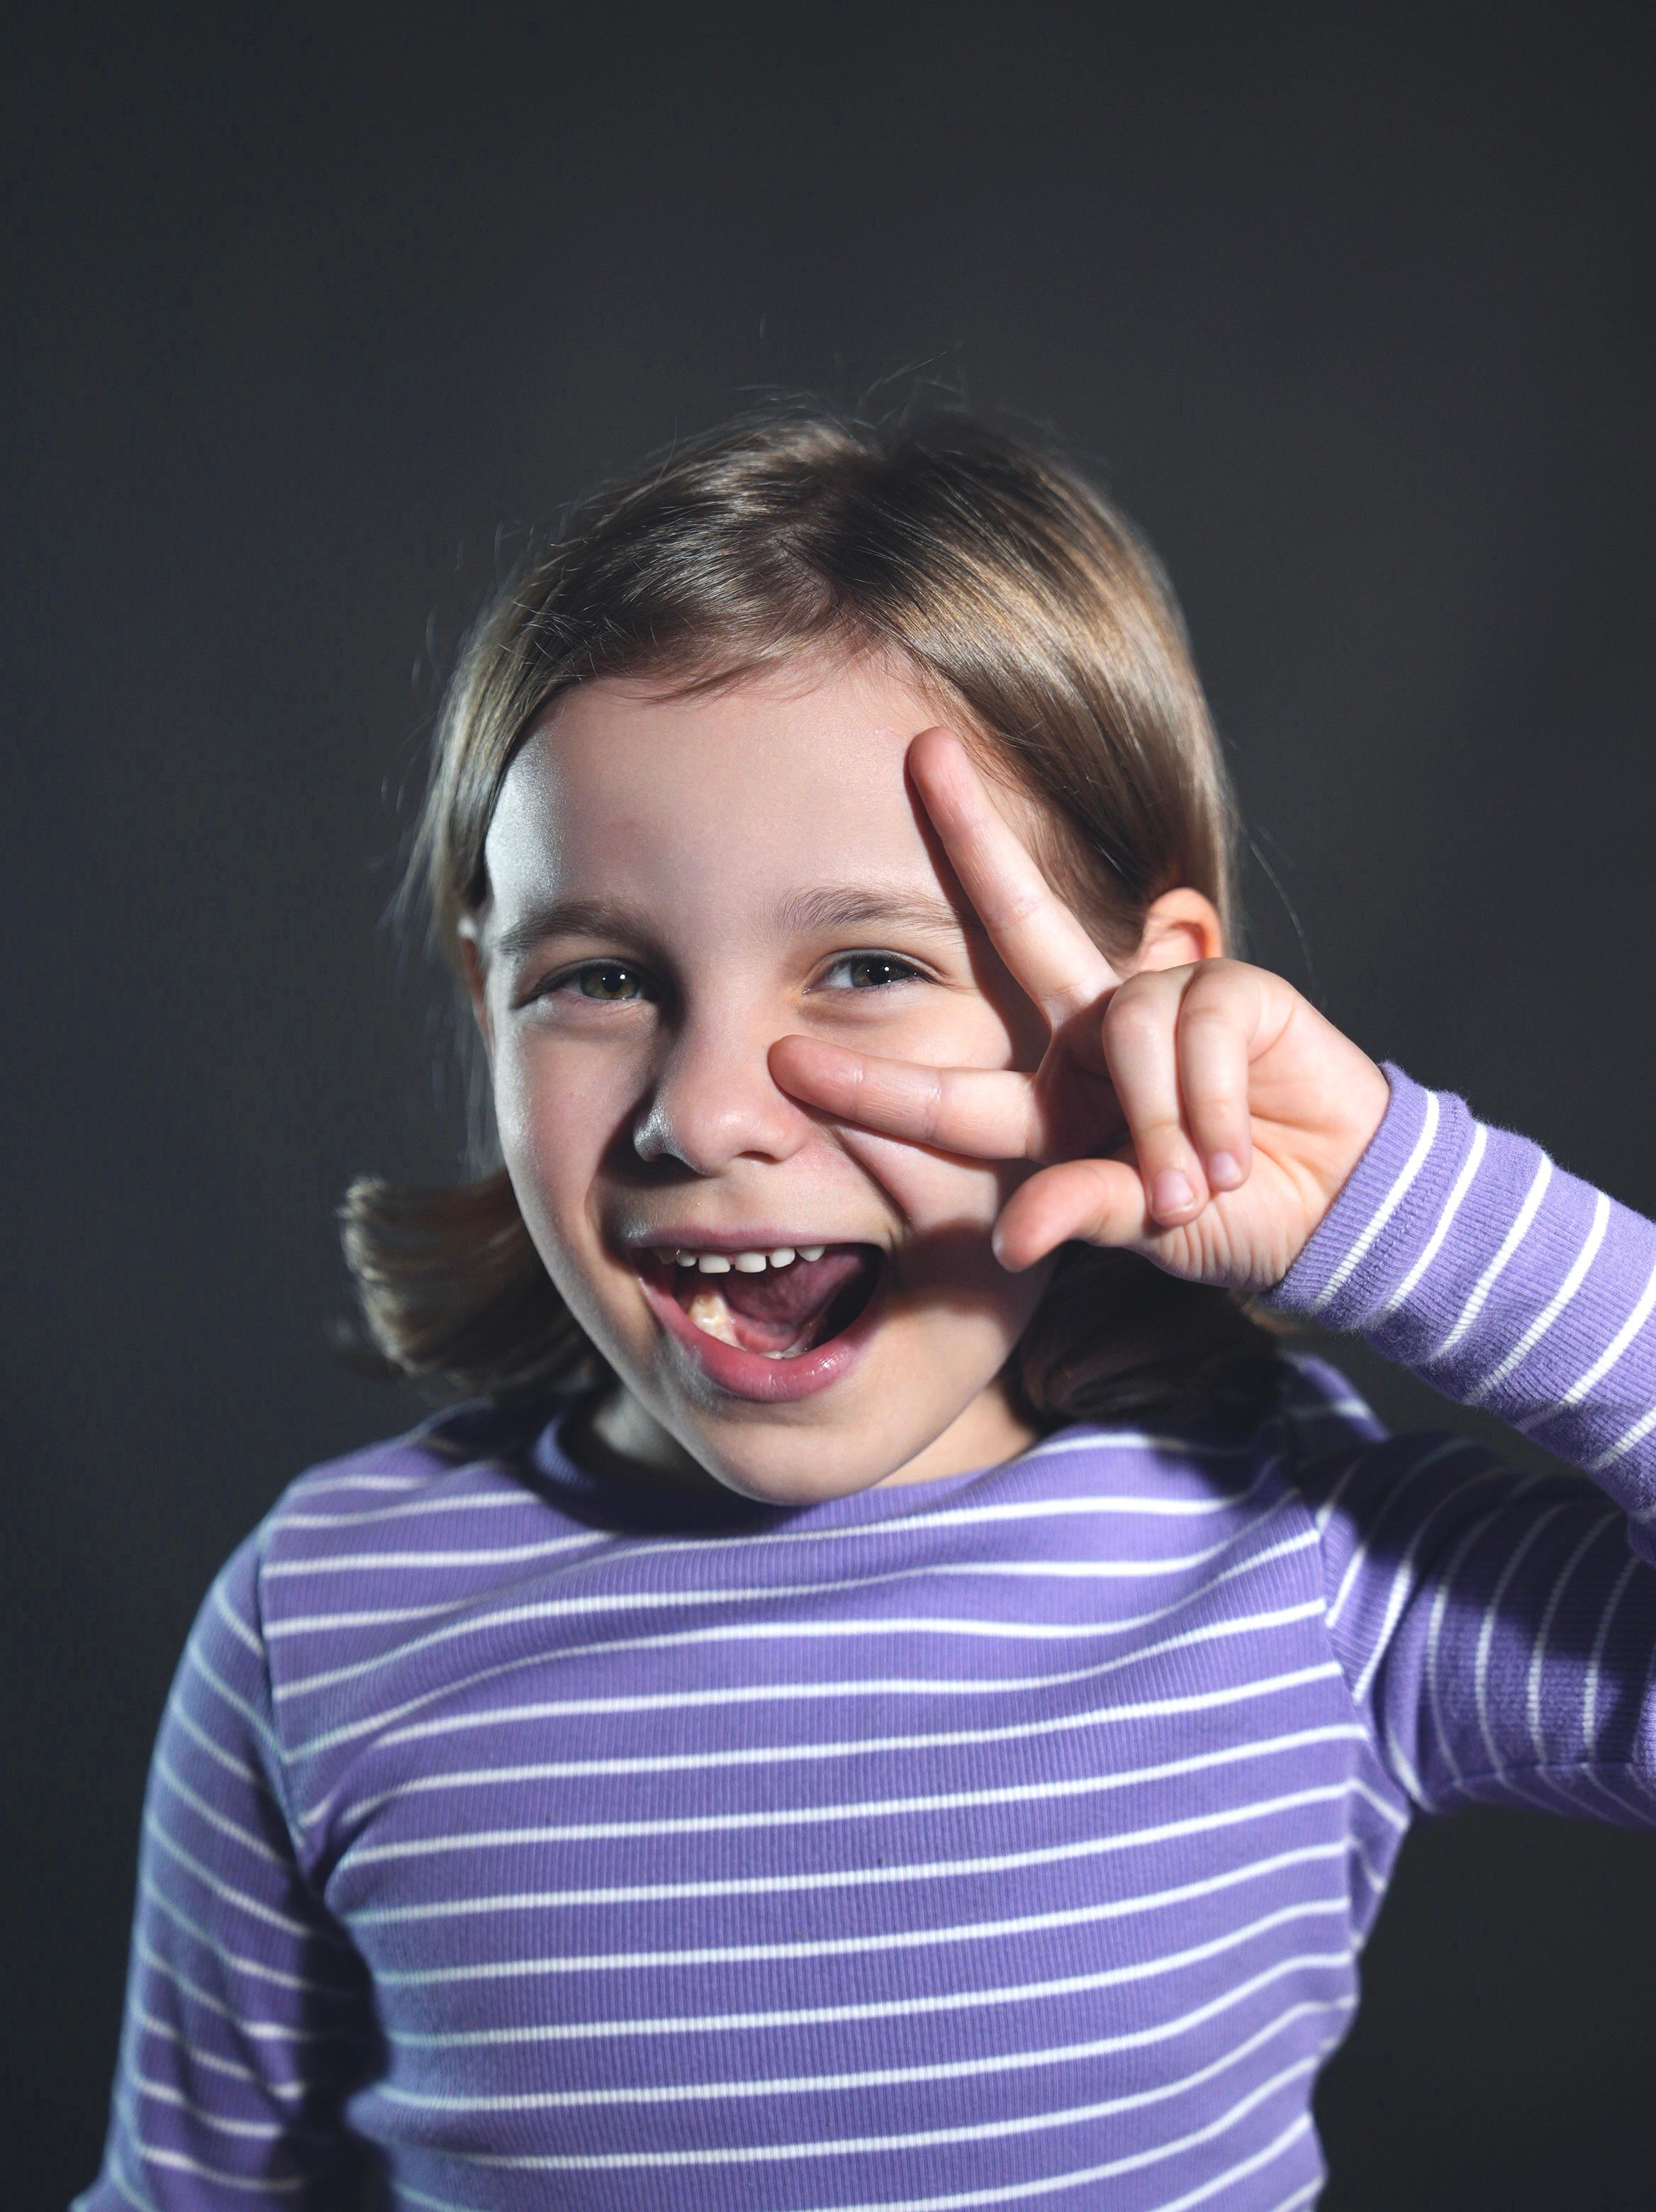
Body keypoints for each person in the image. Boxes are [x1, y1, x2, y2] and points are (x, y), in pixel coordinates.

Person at [77, 409, 1656, 2212]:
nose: (708, 1111)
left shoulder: (1306, 1566)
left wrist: (1383, 1194)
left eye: (870, 966)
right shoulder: (321, 1620)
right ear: (481, 1000)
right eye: (597, 978)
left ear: (1150, 1008)